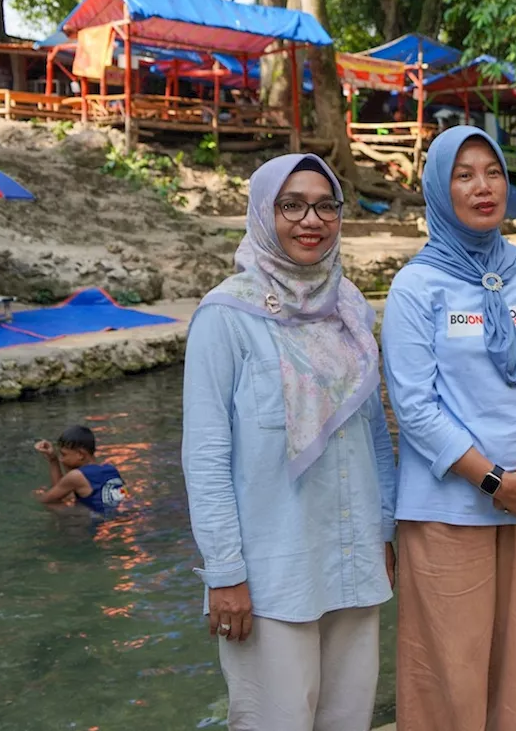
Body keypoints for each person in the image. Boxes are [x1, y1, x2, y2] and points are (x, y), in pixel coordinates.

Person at [181, 153, 397, 731]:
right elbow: (205, 456)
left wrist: (385, 529)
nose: (312, 220)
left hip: (352, 559)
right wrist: (225, 574)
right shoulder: (226, 316)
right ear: (263, 213)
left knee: (348, 720)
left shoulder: (348, 307)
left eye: (326, 205)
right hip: (272, 572)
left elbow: (373, 429)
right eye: (292, 205)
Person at [381, 125, 516, 731]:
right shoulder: (416, 287)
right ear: (441, 191)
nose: (482, 186)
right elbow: (415, 406)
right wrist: (497, 481)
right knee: (450, 666)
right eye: (463, 175)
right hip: (449, 508)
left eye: (492, 171)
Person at [34, 424, 128, 513]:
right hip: (126, 514)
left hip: (100, 524)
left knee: (50, 504)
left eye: (63, 454)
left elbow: (47, 500)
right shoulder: (111, 469)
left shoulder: (76, 476)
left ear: (80, 454)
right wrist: (53, 459)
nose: (61, 459)